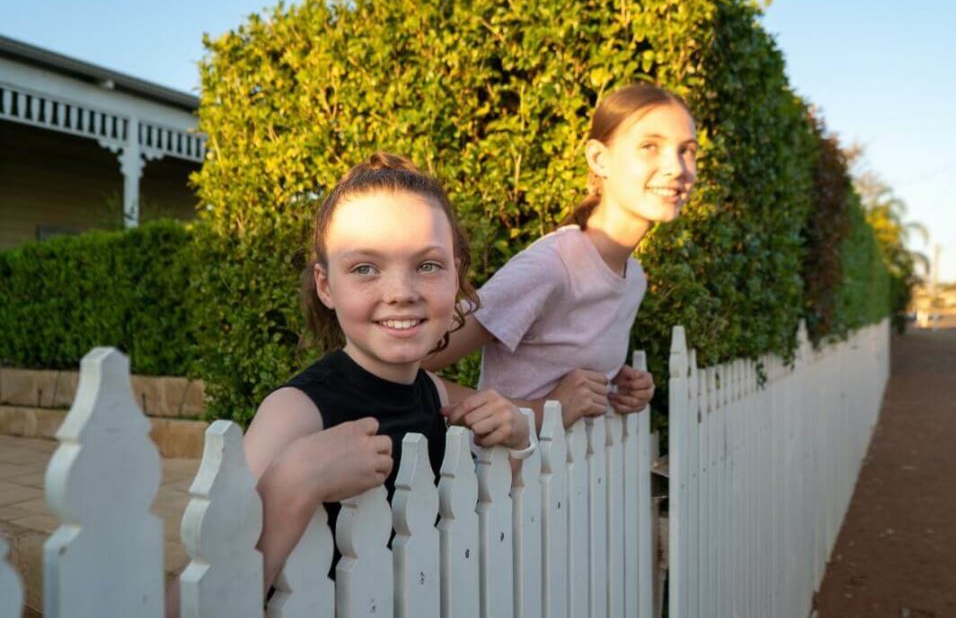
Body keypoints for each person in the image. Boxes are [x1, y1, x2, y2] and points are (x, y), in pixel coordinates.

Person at [166, 153, 532, 615]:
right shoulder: (296, 411)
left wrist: (517, 435)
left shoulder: (436, 393)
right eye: (364, 268)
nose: (401, 291)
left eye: (428, 265)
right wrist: (293, 482)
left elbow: (487, 497)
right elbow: (187, 604)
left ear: (456, 273)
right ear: (325, 285)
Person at [427, 83, 699, 431]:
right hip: (505, 482)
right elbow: (401, 370)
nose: (677, 168)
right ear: (599, 159)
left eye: (687, 150)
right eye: (650, 146)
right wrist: (543, 410)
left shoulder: (634, 280)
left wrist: (617, 386)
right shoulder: (551, 266)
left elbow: (566, 374)